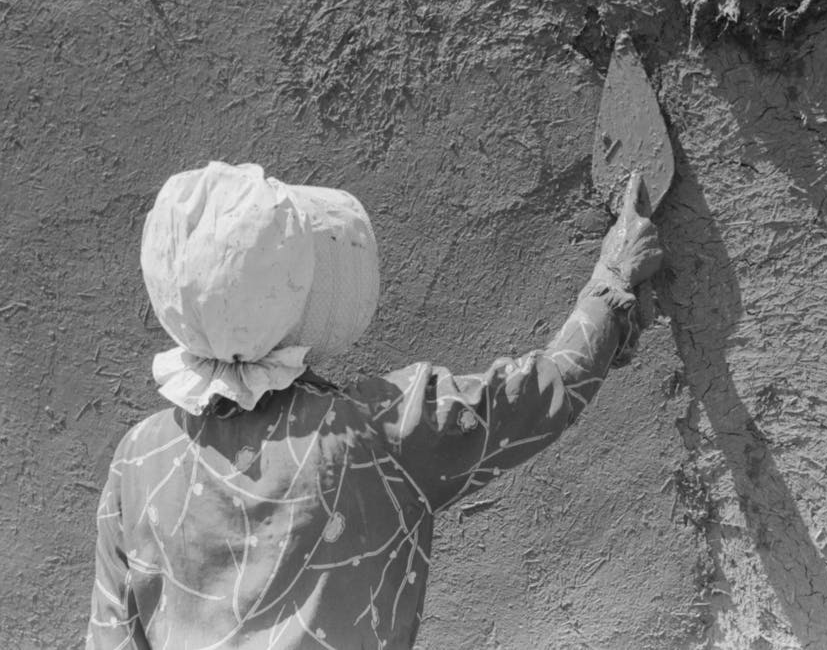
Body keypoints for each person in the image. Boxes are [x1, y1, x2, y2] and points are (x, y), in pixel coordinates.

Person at [87, 160, 664, 650]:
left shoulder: (137, 460)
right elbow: (543, 392)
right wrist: (612, 282)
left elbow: (110, 638)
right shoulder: (378, 430)